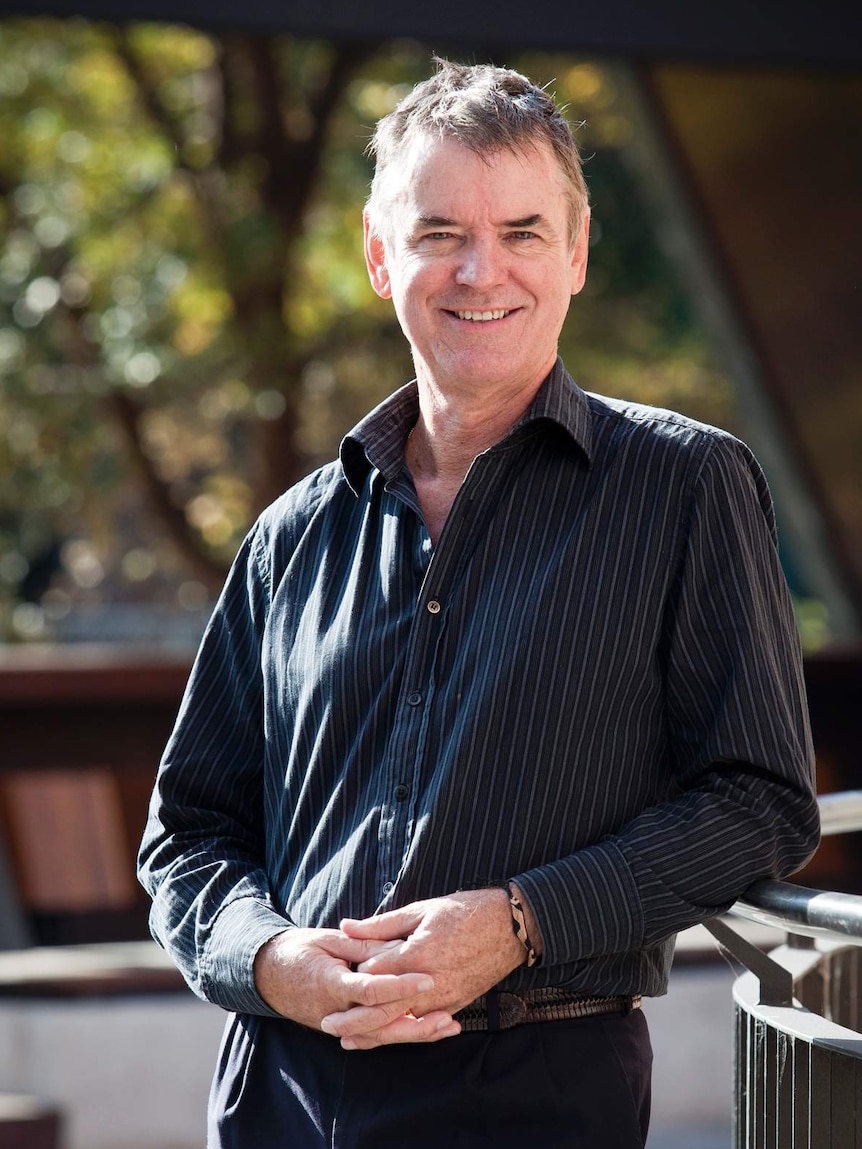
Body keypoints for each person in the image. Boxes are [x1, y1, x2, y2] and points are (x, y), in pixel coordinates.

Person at [138, 58, 820, 1149]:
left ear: (578, 252)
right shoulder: (289, 536)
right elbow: (191, 834)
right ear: (378, 258)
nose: (478, 270)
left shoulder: (685, 485)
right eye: (438, 232)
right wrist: (269, 960)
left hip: (537, 1090)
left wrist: (520, 920)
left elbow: (760, 801)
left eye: (520, 231)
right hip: (278, 1091)